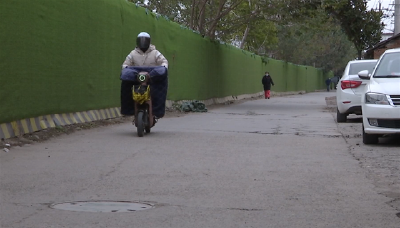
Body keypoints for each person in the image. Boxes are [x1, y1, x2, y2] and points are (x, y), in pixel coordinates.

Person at [120, 32, 168, 116]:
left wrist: (163, 68)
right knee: (126, 84)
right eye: (141, 40)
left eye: (145, 40)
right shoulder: (132, 53)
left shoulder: (155, 53)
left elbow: (164, 62)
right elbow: (125, 64)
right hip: (136, 77)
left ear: (149, 42)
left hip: (152, 77)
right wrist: (127, 69)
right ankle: (128, 110)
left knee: (161, 84)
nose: (143, 42)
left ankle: (157, 110)